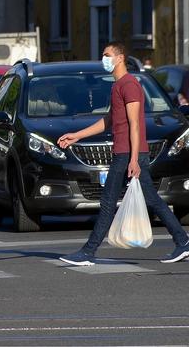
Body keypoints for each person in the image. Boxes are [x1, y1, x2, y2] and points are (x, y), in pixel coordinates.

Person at [58, 42, 189, 266]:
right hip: (125, 152)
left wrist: (134, 159)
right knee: (151, 199)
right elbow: (108, 121)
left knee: (109, 202)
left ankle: (88, 252)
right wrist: (77, 135)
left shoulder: (129, 84)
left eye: (107, 55)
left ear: (120, 58)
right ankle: (183, 241)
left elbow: (135, 124)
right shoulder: (118, 86)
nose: (104, 59)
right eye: (103, 55)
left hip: (128, 153)